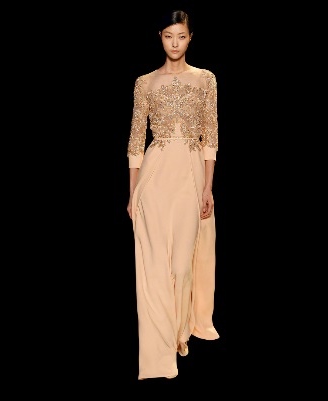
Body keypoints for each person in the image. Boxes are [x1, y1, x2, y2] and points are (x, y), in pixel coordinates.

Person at [126, 9, 219, 380]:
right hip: (154, 178)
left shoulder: (206, 79)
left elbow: (211, 136)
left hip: (190, 176)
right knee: (154, 266)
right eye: (168, 36)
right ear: (160, 37)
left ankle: (181, 330)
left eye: (181, 36)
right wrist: (132, 194)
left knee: (181, 265)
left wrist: (208, 187)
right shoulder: (145, 82)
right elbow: (136, 140)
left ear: (190, 37)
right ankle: (162, 348)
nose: (175, 43)